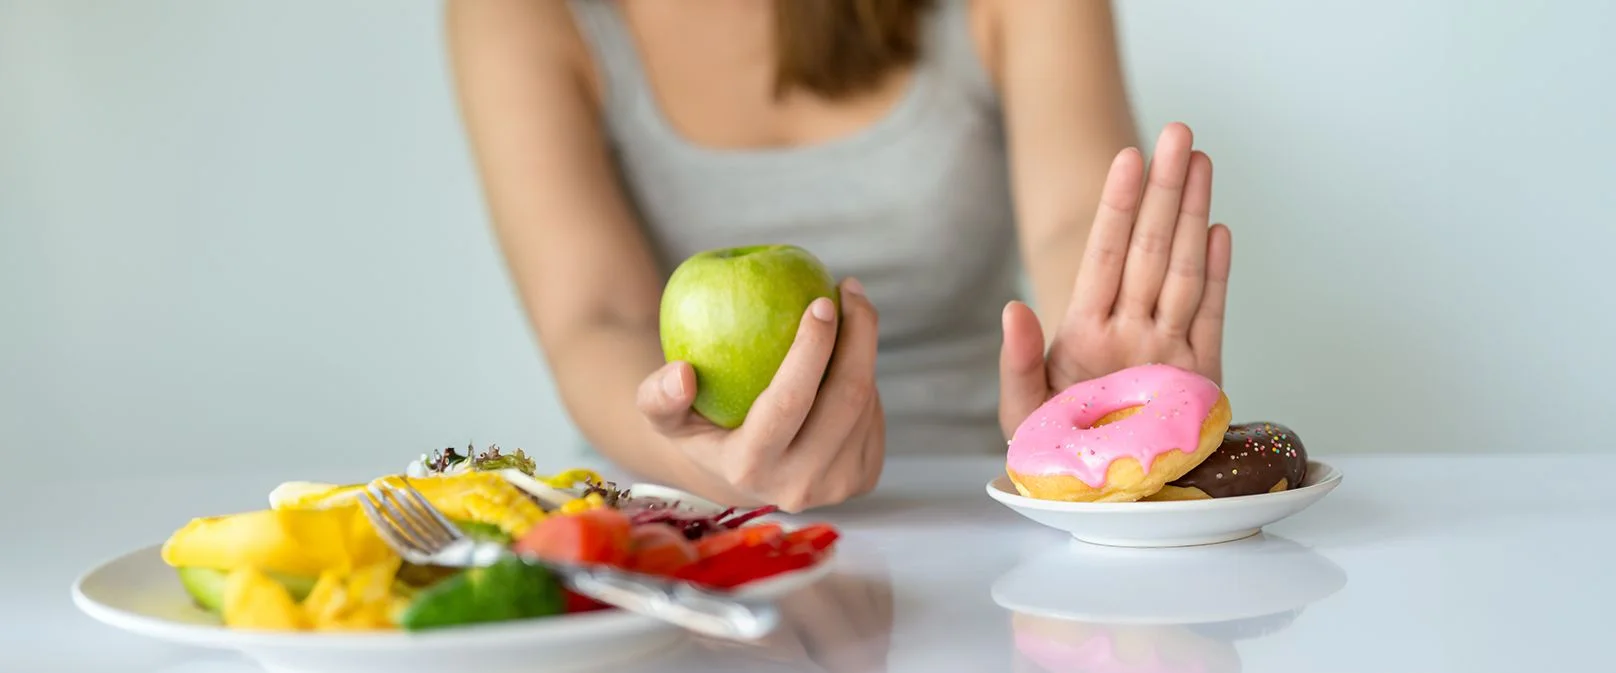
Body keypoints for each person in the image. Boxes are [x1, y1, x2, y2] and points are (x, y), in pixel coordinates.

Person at [445, 0, 1232, 512]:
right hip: (679, 528)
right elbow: (596, 317)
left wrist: (1097, 390)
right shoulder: (518, 15)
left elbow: (1071, 224)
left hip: (974, 521)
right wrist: (707, 466)